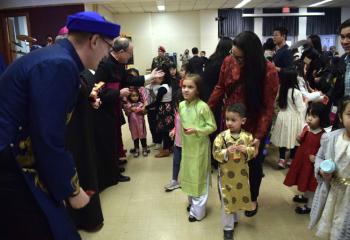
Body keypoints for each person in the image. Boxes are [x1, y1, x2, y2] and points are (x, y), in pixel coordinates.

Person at [0, 11, 120, 240]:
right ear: (94, 41)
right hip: (9, 163)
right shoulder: (59, 65)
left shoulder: (56, 58)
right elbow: (48, 137)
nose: (107, 54)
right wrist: (72, 191)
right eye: (108, 46)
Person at [208, 31, 279, 217]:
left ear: (252, 55)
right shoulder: (228, 62)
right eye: (233, 54)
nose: (235, 59)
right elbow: (220, 87)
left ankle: (252, 197)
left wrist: (258, 137)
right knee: (231, 160)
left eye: (240, 57)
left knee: (253, 164)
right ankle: (232, 195)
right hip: (231, 122)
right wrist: (207, 109)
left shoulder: (268, 71)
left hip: (255, 125)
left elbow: (267, 108)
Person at [94, 37, 164, 189]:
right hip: (104, 111)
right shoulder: (105, 64)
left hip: (113, 108)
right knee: (108, 141)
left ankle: (114, 168)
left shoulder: (119, 63)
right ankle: (111, 174)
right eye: (129, 53)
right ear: (120, 52)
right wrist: (118, 93)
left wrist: (149, 77)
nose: (130, 56)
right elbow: (97, 91)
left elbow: (129, 80)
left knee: (114, 139)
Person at [66, 69, 104, 232]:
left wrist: (91, 99)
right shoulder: (64, 67)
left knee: (86, 168)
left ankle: (88, 218)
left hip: (82, 126)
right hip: (67, 129)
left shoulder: (82, 69)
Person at [309, 95, 350, 240]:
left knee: (344, 227)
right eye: (349, 114)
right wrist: (321, 169)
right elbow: (320, 157)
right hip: (332, 191)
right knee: (331, 224)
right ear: (340, 116)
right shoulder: (331, 138)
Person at [213, 103, 255, 240]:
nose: (229, 123)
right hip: (225, 177)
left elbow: (253, 152)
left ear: (242, 121)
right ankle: (228, 228)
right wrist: (226, 152)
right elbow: (215, 153)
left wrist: (247, 150)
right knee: (227, 200)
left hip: (241, 176)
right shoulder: (221, 137)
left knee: (237, 197)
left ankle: (234, 219)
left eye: (233, 120)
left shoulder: (247, 137)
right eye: (227, 119)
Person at [179, 74, 217, 222]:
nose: (186, 90)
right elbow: (182, 122)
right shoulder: (182, 105)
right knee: (189, 175)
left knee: (199, 177)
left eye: (190, 87)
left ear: (198, 90)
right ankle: (192, 204)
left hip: (200, 148)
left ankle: (198, 212)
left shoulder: (203, 107)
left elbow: (212, 126)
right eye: (184, 86)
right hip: (187, 147)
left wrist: (197, 130)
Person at [283, 102, 328, 214]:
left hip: (312, 164)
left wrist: (317, 158)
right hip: (302, 160)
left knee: (311, 182)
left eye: (314, 116)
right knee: (303, 178)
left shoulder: (324, 135)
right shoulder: (307, 129)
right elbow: (301, 140)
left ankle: (310, 205)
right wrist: (299, 138)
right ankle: (305, 195)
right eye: (308, 114)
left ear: (321, 118)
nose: (309, 118)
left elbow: (326, 152)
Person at [271, 69, 306, 168]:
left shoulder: (281, 90)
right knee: (295, 139)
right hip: (295, 117)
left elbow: (276, 103)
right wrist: (306, 101)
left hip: (283, 116)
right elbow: (301, 108)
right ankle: (291, 159)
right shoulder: (297, 92)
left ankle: (281, 159)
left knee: (283, 138)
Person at [146, 64, 174, 158]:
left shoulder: (162, 88)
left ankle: (165, 150)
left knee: (165, 130)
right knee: (168, 128)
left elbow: (157, 102)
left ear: (161, 76)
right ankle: (169, 147)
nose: (153, 79)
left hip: (164, 109)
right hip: (168, 107)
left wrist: (146, 107)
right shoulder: (167, 84)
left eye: (155, 77)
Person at [164, 91, 184, 192]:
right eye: (177, 103)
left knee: (186, 163)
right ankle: (174, 180)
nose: (179, 106)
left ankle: (186, 181)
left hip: (187, 145)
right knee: (176, 162)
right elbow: (177, 125)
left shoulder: (190, 113)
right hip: (177, 143)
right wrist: (173, 131)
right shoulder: (177, 113)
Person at [123, 88, 148, 157]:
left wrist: (142, 110)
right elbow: (127, 114)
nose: (135, 97)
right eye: (133, 96)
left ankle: (144, 148)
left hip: (141, 124)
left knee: (142, 135)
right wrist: (130, 109)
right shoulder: (128, 105)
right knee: (135, 136)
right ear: (129, 97)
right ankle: (136, 149)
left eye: (136, 95)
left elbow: (145, 112)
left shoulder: (141, 104)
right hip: (133, 125)